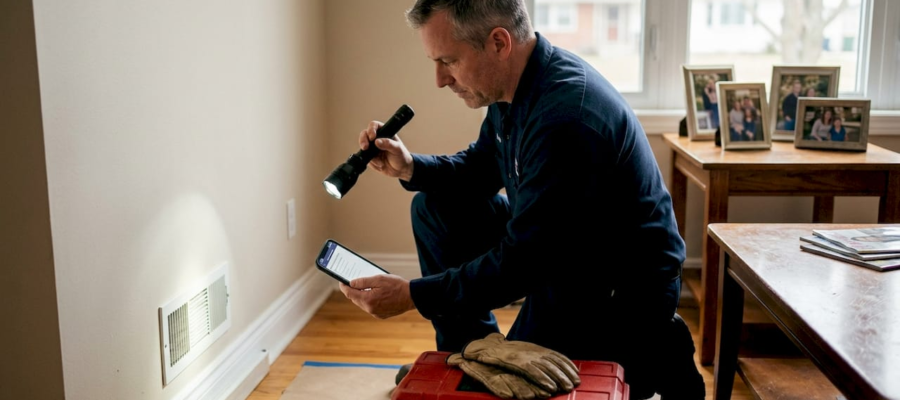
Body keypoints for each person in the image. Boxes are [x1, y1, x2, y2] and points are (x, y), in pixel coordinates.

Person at [339, 1, 704, 399]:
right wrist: (410, 167)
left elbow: (522, 263)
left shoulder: (566, 118)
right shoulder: (512, 87)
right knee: (434, 208)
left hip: (616, 284)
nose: (440, 79)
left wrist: (413, 294)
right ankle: (469, 355)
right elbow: (479, 169)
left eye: (449, 61)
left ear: (498, 43)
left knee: (522, 385)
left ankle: (655, 349)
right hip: (560, 246)